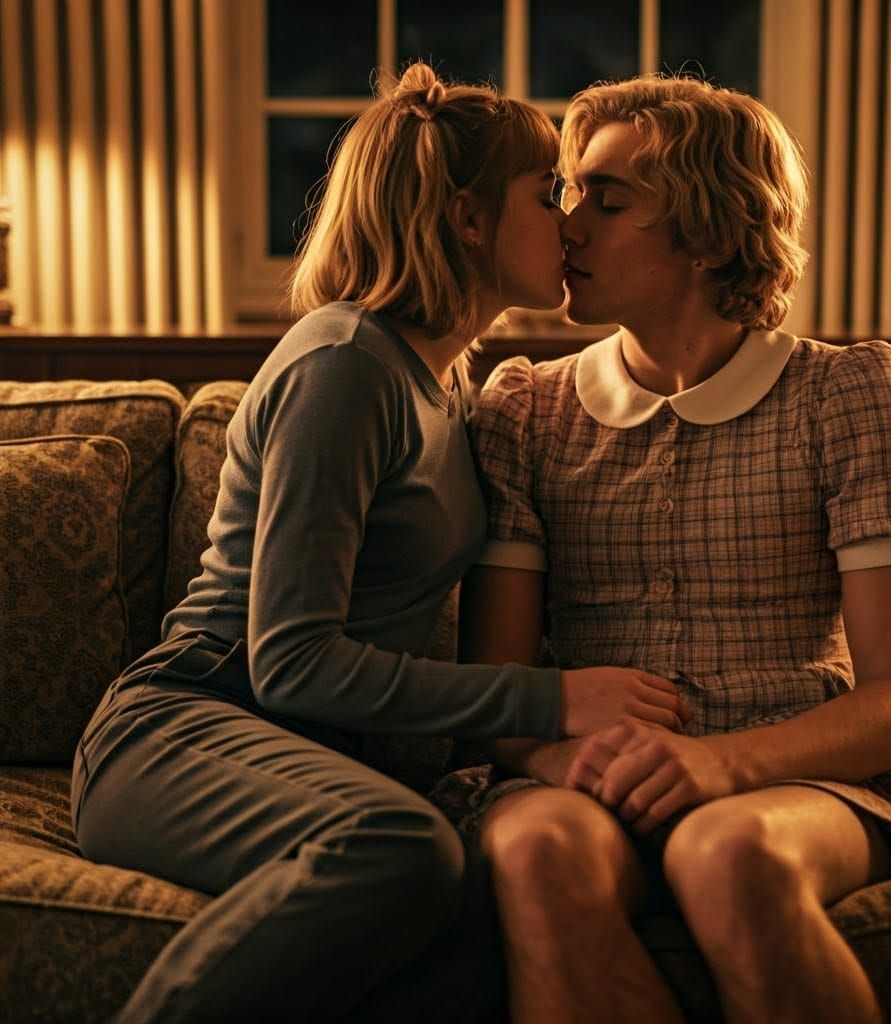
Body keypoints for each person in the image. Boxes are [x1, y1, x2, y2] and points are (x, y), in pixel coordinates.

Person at [70, 64, 688, 1024]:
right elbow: (291, 660)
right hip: (182, 731)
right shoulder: (345, 365)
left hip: (313, 753)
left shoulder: (448, 383)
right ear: (468, 220)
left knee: (505, 883)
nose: (569, 223)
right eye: (546, 192)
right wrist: (553, 698)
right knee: (399, 845)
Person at [437, 75, 891, 1024]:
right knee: (536, 852)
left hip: (804, 777)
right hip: (578, 773)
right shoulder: (525, 410)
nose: (567, 224)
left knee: (727, 854)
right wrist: (555, 763)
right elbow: (497, 686)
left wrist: (721, 765)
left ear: (707, 230)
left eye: (608, 199)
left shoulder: (848, 397)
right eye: (570, 192)